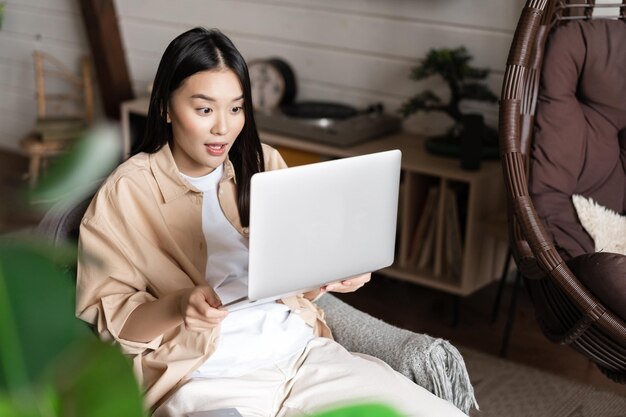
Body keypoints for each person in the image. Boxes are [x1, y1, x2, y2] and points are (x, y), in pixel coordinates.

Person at [75, 27, 466, 417]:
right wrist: (178, 306)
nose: (223, 128)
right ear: (165, 107)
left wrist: (332, 274)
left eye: (236, 108)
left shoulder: (262, 163)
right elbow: (115, 327)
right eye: (204, 109)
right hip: (207, 378)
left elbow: (294, 277)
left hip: (304, 357)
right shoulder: (128, 190)